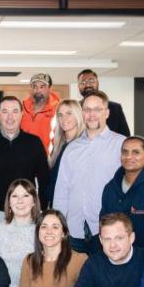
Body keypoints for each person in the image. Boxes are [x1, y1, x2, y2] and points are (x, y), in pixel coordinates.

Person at [53, 89, 126, 252]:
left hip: (106, 231)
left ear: (106, 113)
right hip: (74, 230)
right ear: (82, 113)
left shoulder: (121, 145)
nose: (91, 114)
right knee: (73, 277)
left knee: (104, 277)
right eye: (87, 109)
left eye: (97, 109)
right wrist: (59, 225)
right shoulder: (72, 148)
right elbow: (62, 191)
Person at [0, 95, 50, 226]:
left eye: (15, 111)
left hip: (26, 212)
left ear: (21, 114)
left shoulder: (34, 142)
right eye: (5, 112)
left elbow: (45, 179)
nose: (10, 117)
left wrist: (40, 206)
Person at [100, 135, 144, 244]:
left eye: (135, 152)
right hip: (117, 253)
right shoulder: (111, 187)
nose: (128, 157)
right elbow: (104, 222)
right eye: (125, 152)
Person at [43, 99, 85, 207]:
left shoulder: (83, 146)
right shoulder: (58, 146)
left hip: (73, 207)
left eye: (69, 113)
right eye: (60, 115)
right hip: (55, 204)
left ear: (78, 115)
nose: (64, 118)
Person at [76, 68, 130, 136]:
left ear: (97, 83)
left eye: (91, 81)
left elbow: (125, 136)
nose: (88, 85)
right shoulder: (75, 108)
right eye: (83, 82)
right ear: (78, 86)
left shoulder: (115, 108)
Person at [20, 72, 61, 157]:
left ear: (50, 88)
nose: (38, 90)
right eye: (35, 87)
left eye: (42, 87)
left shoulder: (59, 109)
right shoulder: (21, 108)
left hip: (47, 160)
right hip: (23, 158)